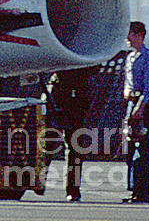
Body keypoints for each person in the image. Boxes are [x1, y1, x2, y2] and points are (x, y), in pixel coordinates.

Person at [122, 21, 149, 203]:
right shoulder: (130, 58)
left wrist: (140, 106)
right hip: (131, 103)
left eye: (129, 34)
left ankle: (143, 191)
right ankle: (134, 188)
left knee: (143, 149)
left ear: (138, 35)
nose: (127, 38)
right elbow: (128, 82)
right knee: (130, 149)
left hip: (144, 105)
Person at [48, 66, 97, 202]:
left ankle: (73, 189)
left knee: (75, 146)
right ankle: (37, 181)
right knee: (48, 142)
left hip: (77, 96)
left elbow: (95, 68)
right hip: (58, 93)